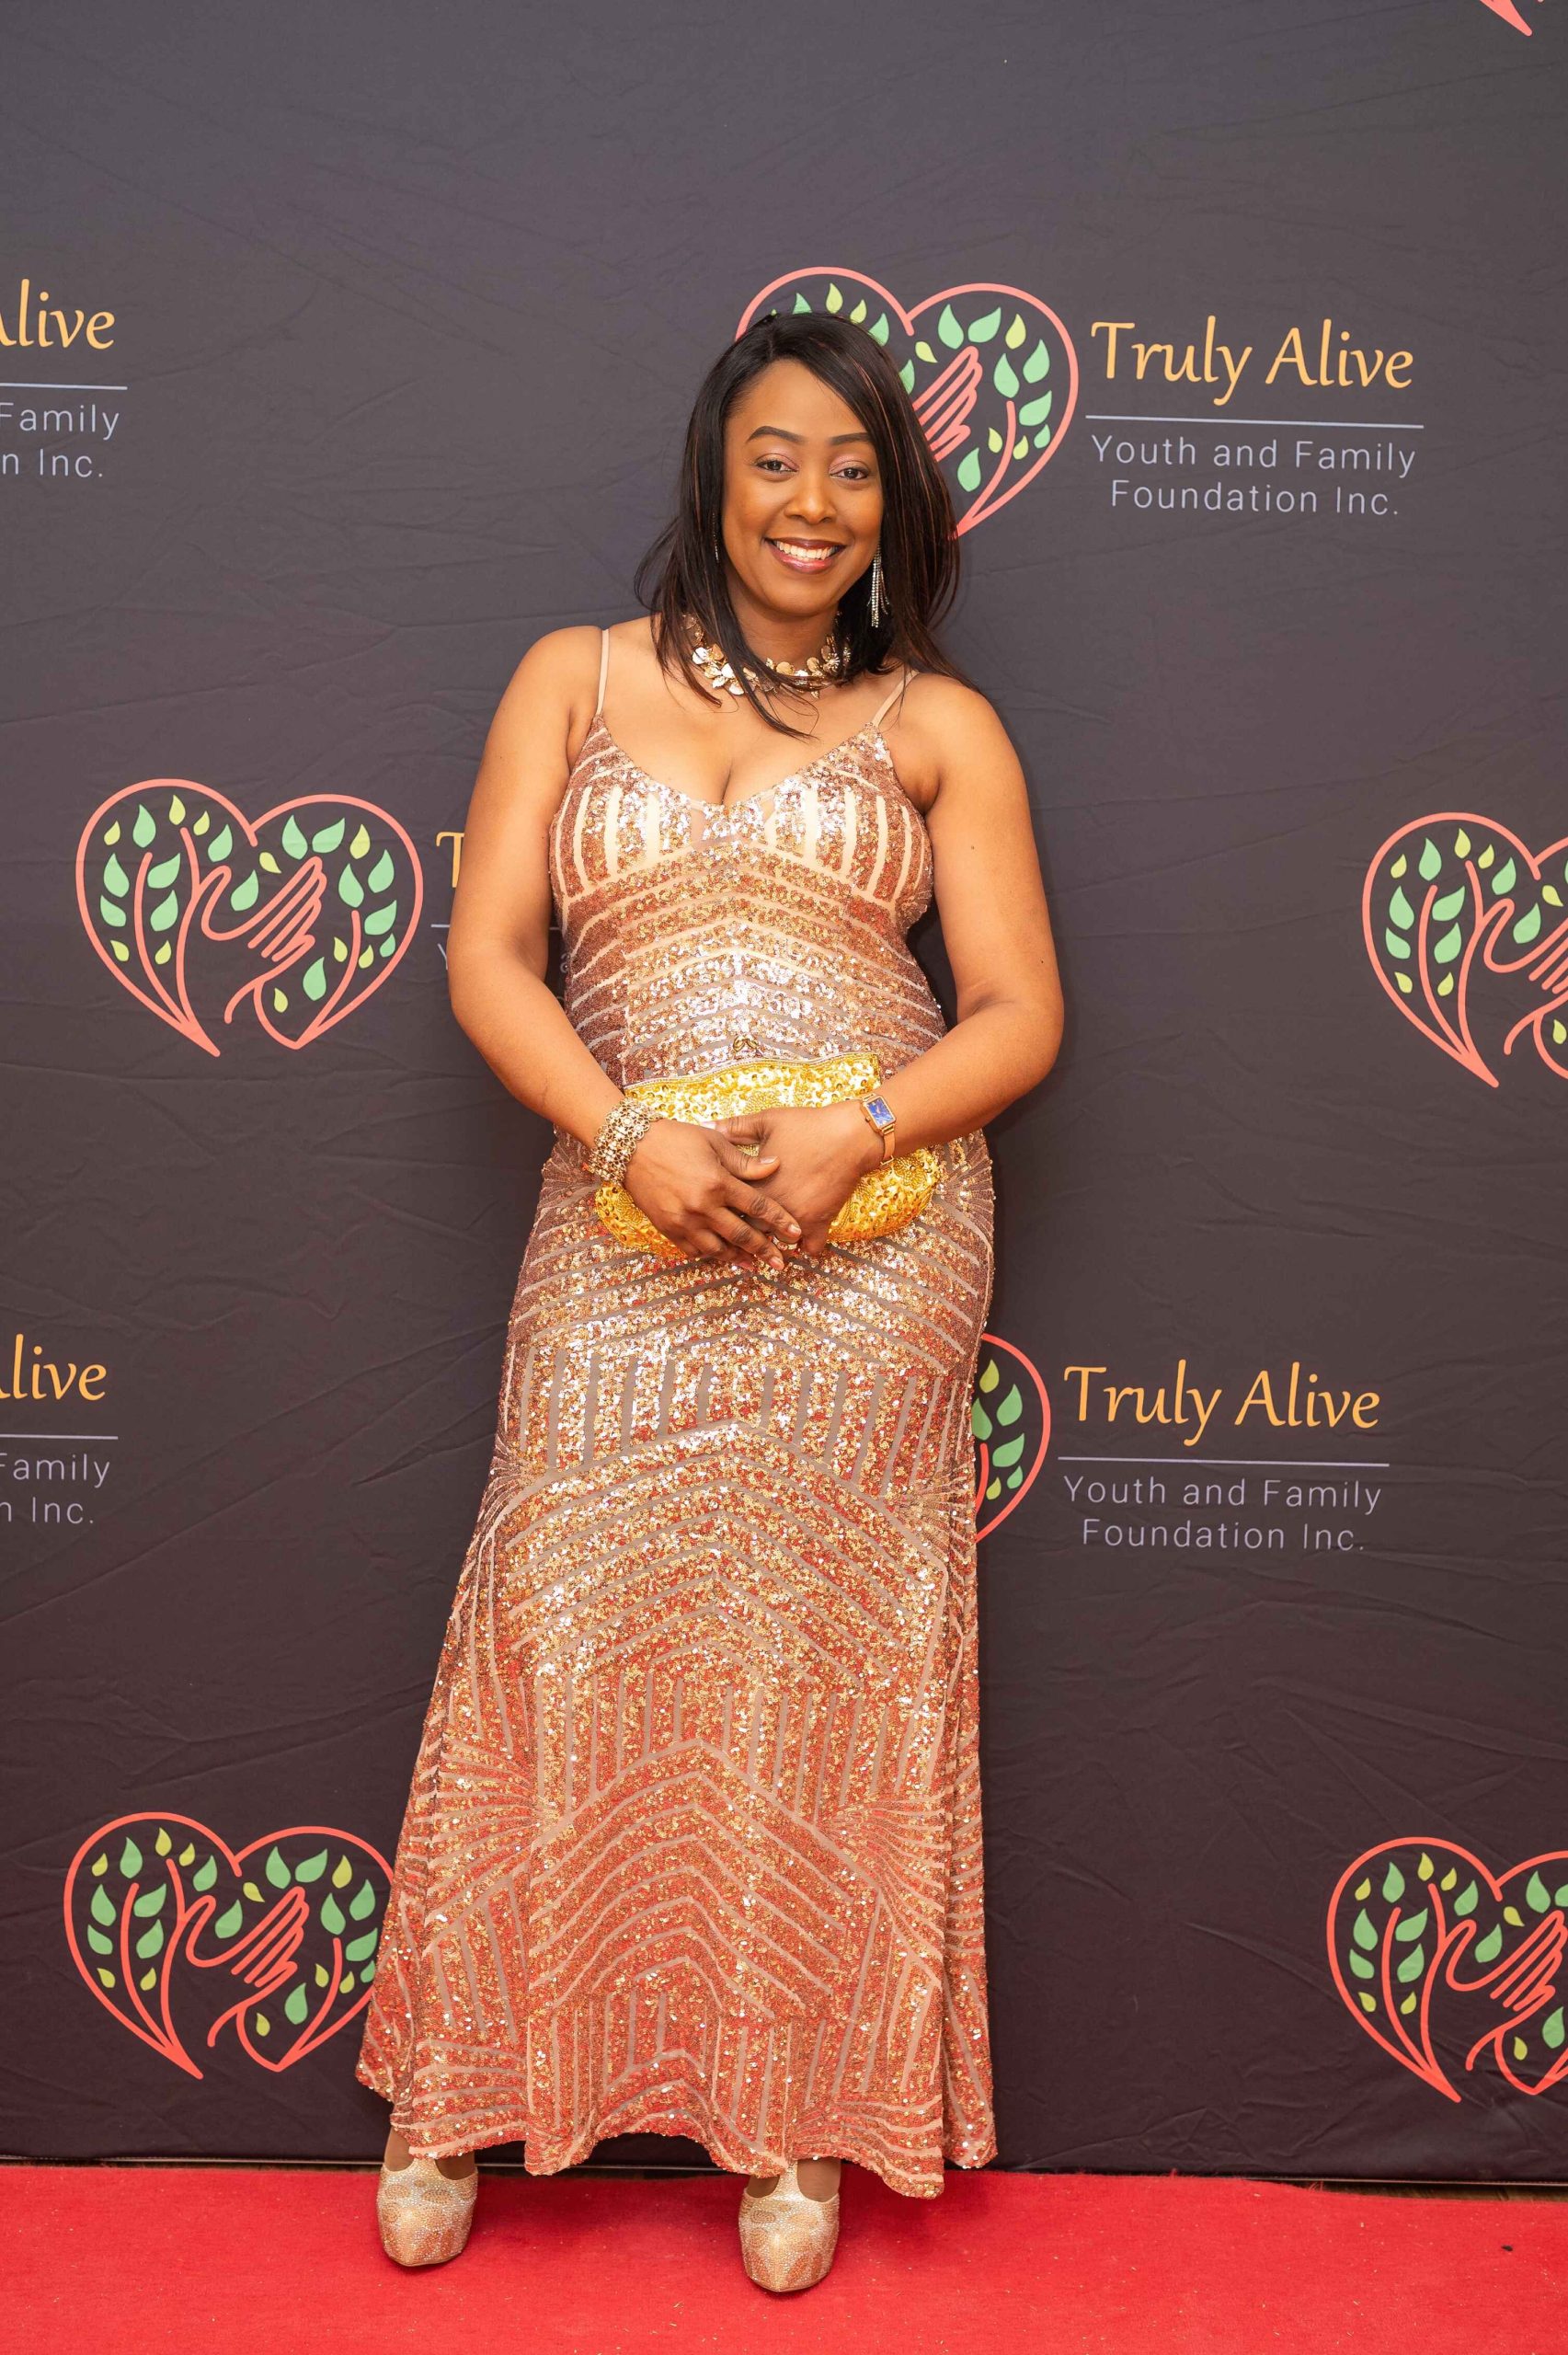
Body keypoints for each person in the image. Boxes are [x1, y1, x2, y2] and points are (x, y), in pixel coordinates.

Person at [356, 308, 1063, 2293]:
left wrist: (855, 1129)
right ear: (714, 475)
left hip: (874, 1237)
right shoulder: (571, 679)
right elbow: (488, 957)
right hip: (625, 1218)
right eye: (775, 458)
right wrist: (621, 1138)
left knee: (817, 1656)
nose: (810, 500)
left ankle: (795, 2110)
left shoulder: (938, 725)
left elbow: (1018, 1011)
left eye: (851, 465)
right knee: (554, 1609)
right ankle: (455, 2092)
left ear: (891, 502)